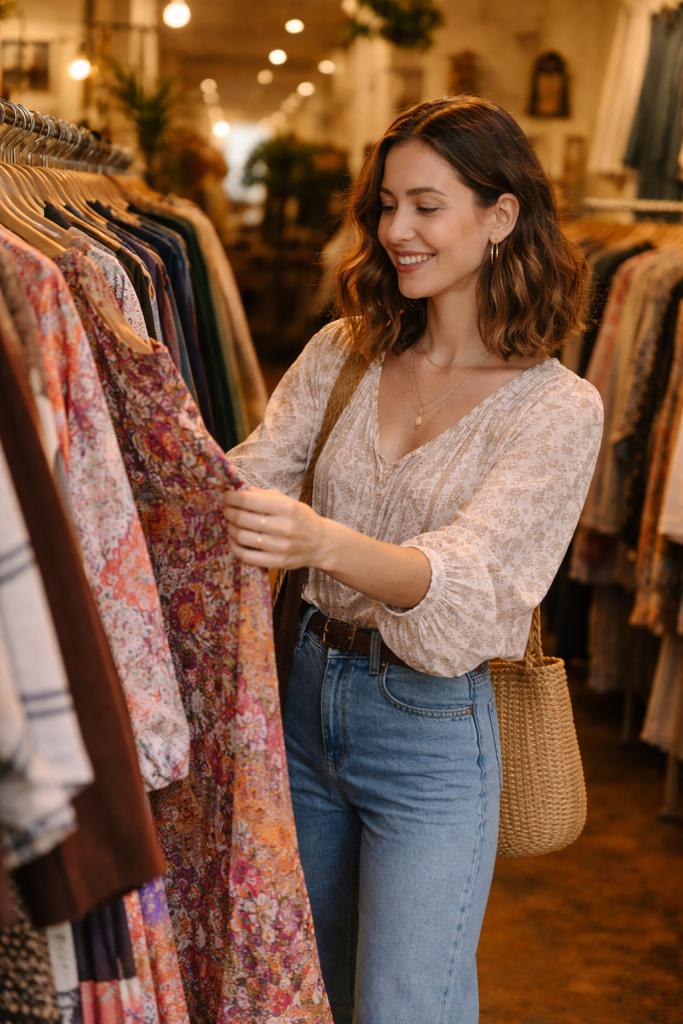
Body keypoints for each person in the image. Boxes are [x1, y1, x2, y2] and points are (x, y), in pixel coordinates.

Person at [224, 96, 603, 1024]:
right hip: (300, 697)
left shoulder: (557, 410)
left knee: (406, 1005)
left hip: (429, 729)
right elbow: (242, 478)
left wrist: (320, 542)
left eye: (426, 206)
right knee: (298, 987)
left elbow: (472, 586)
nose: (396, 230)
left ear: (500, 214)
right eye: (385, 205)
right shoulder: (343, 353)